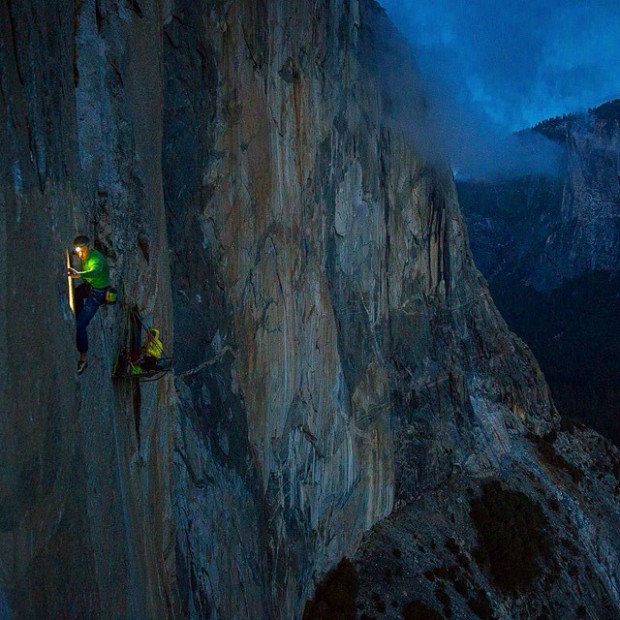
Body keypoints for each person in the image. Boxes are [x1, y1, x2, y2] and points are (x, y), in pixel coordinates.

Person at [67, 235, 111, 374]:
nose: (80, 253)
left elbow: (95, 271)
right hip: (90, 287)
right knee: (76, 295)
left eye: (82, 250)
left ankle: (83, 359)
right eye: (78, 250)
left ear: (89, 248)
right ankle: (77, 315)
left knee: (81, 325)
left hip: (98, 294)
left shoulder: (95, 259)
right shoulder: (84, 253)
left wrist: (79, 274)